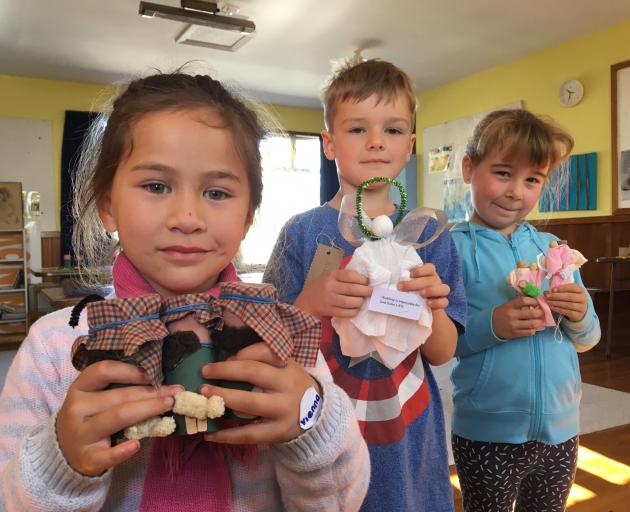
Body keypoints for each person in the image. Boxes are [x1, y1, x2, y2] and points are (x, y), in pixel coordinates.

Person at [0, 72, 370, 511]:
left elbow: (342, 502)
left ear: (247, 218)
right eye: (156, 186)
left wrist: (313, 422)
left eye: (217, 192)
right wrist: (63, 460)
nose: (188, 216)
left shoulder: (278, 337)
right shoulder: (52, 348)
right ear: (107, 204)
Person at [264, 59, 467, 512]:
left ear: (410, 145)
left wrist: (430, 307)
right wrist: (311, 302)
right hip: (318, 427)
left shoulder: (429, 234)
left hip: (409, 433)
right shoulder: (302, 233)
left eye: (393, 130)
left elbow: (442, 351)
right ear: (329, 143)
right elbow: (266, 342)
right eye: (358, 129)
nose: (377, 141)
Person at [450, 108, 601, 512]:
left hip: (561, 429)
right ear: (469, 168)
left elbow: (588, 340)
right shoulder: (451, 250)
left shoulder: (555, 249)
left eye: (531, 179)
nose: (516, 191)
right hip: (486, 431)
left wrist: (581, 312)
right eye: (503, 173)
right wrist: (493, 324)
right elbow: (443, 345)